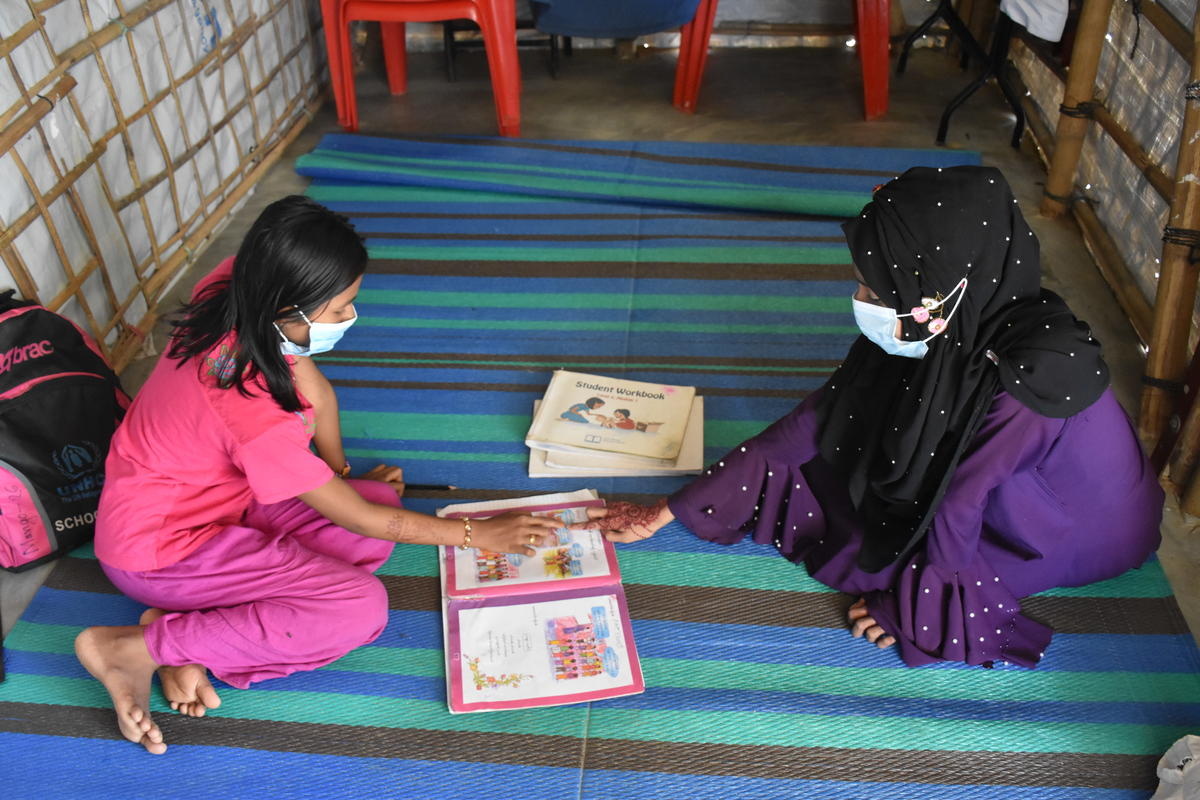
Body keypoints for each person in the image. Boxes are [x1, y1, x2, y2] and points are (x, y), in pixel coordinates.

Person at [580, 166, 1164, 669]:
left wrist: (915, 613)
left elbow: (958, 506)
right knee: (829, 469)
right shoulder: (952, 316)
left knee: (879, 551)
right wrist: (670, 509)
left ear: (942, 288)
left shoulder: (1029, 382)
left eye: (878, 287)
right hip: (985, 486)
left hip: (1064, 525)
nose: (863, 299)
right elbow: (822, 415)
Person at [74, 196, 561, 754]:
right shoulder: (249, 411)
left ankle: (189, 631)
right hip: (159, 550)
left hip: (211, 504)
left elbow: (318, 395)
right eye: (340, 309)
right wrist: (479, 534)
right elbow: (369, 520)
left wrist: (334, 476)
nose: (350, 317)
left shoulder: (238, 287)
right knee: (358, 606)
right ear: (293, 309)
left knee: (373, 500)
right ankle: (137, 647)